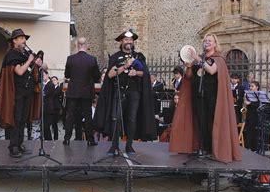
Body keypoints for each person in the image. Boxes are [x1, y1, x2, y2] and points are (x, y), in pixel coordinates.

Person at [169, 33, 241, 163]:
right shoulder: (200, 58)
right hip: (198, 95)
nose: (206, 42)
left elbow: (212, 70)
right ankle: (203, 146)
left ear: (214, 44)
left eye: (209, 41)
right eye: (205, 40)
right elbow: (190, 76)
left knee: (213, 121)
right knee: (200, 121)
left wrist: (197, 58)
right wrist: (189, 67)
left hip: (212, 96)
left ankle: (214, 148)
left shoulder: (218, 58)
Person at [94, 30, 157, 155]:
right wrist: (125, 67)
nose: (129, 41)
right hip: (119, 91)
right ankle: (114, 145)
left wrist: (136, 72)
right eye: (126, 39)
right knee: (116, 118)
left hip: (134, 93)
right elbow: (110, 75)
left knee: (132, 119)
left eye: (131, 40)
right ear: (122, 41)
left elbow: (145, 73)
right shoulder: (116, 57)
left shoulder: (139, 56)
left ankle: (129, 145)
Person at [0, 29, 42, 158]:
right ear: (14, 41)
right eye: (21, 38)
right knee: (16, 119)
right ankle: (13, 146)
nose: (24, 40)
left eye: (24, 38)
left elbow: (41, 67)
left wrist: (38, 63)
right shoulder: (12, 55)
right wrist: (29, 61)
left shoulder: (26, 53)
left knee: (23, 119)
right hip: (16, 92)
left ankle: (20, 143)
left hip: (28, 92)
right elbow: (20, 72)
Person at [63, 37, 100, 146]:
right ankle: (90, 139)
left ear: (77, 45)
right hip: (86, 92)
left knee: (70, 115)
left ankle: (66, 138)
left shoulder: (70, 59)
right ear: (86, 45)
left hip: (73, 91)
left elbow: (67, 75)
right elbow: (97, 75)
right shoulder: (92, 59)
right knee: (88, 116)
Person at [244, 81, 260, 151]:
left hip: (256, 114)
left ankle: (253, 147)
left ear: (257, 87)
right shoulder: (248, 94)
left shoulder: (259, 94)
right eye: (250, 86)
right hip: (249, 114)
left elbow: (258, 104)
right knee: (248, 130)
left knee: (254, 131)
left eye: (252, 86)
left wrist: (250, 103)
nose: (250, 87)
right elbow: (246, 103)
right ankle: (248, 146)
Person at [42, 70, 55, 140]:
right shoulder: (44, 84)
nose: (42, 77)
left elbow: (44, 94)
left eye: (43, 75)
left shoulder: (50, 84)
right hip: (44, 108)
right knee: (44, 126)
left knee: (46, 126)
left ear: (47, 75)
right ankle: (46, 140)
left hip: (48, 108)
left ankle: (49, 140)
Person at [51, 76, 63, 140]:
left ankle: (56, 138)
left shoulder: (58, 88)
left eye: (55, 80)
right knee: (52, 123)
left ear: (57, 81)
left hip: (56, 107)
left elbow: (54, 94)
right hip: (52, 107)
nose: (54, 81)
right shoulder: (52, 88)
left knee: (55, 123)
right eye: (52, 80)